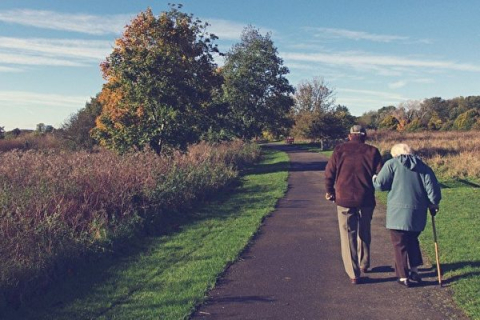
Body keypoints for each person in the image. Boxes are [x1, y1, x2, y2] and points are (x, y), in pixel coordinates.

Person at [373, 143, 441, 287]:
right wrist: (433, 204)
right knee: (412, 240)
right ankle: (414, 270)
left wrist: (374, 178)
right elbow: (433, 190)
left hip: (397, 213)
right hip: (418, 212)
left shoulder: (391, 164)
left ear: (395, 154)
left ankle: (403, 276)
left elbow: (380, 185)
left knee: (399, 244)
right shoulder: (423, 166)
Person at [325, 125, 383, 284]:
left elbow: (329, 172)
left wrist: (329, 191)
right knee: (364, 231)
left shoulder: (339, 150)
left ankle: (354, 273)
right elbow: (381, 175)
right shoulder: (373, 151)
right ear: (364, 136)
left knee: (347, 234)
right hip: (365, 198)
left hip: (344, 198)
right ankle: (364, 263)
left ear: (349, 135)